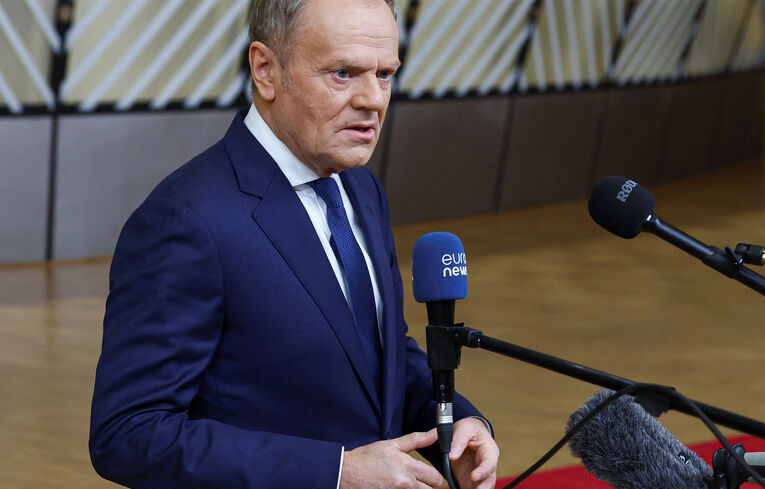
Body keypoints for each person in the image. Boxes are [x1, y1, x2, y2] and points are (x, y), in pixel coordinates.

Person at [88, 0, 499, 488]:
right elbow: (129, 434)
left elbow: (379, 356)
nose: (373, 99)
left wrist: (454, 423)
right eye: (343, 73)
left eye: (385, 73)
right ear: (266, 70)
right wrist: (336, 473)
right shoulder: (186, 220)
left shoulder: (361, 189)